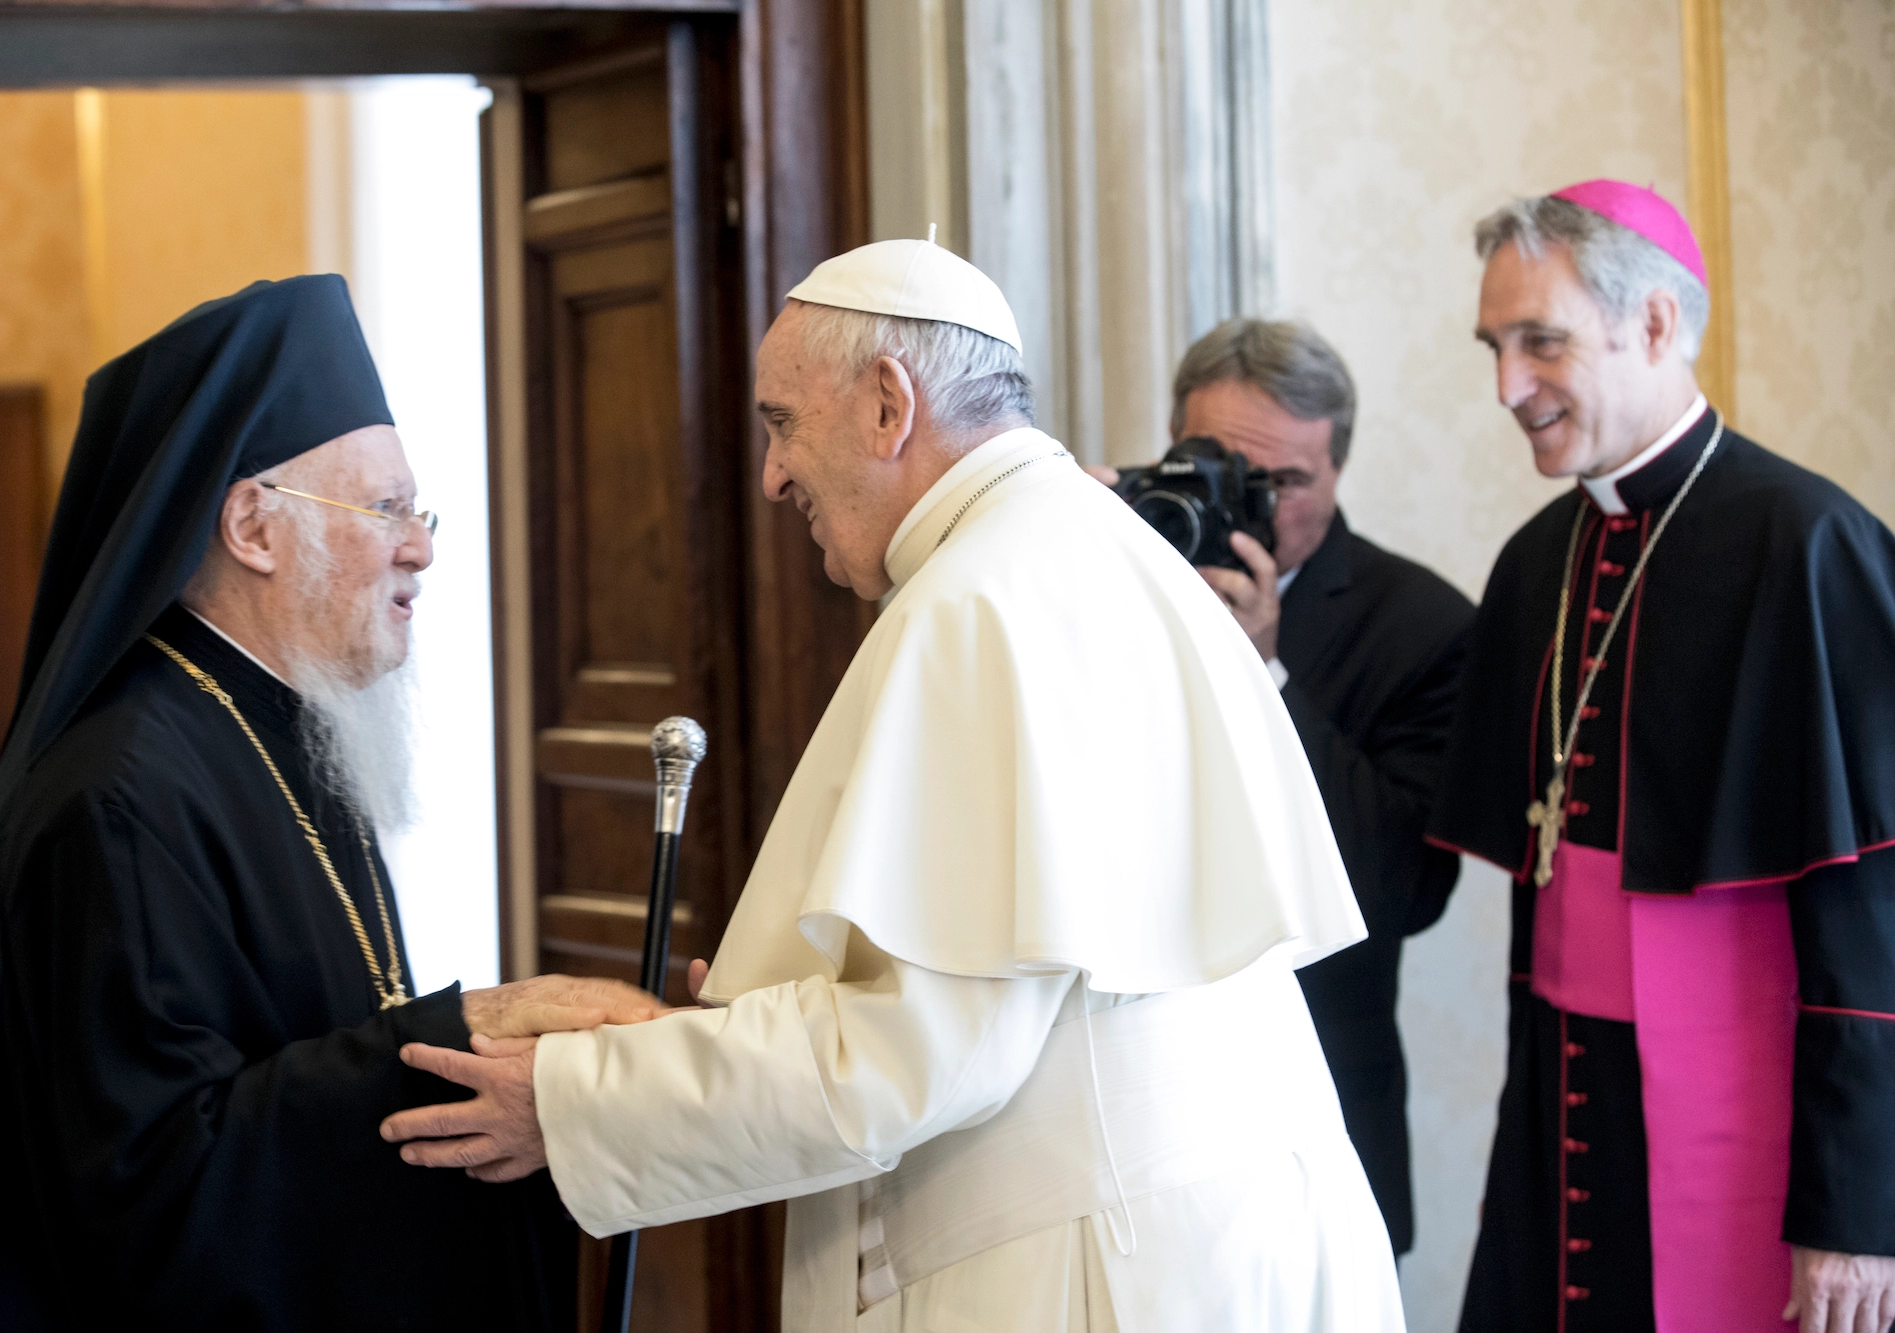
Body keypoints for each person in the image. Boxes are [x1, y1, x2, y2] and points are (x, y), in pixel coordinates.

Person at [381, 240, 1406, 1331]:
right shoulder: (1073, 543)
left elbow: (911, 1056)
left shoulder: (979, 598)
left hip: (1104, 1268)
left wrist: (572, 1103)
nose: (771, 474)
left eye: (780, 421)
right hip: (1201, 1237)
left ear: (886, 404)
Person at [0, 276, 660, 1332]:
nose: (422, 547)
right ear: (253, 527)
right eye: (387, 510)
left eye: (419, 511)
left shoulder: (287, 738)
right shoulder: (119, 799)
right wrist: (451, 1039)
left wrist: (469, 1055)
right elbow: (152, 1190)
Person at [1431, 180, 1895, 1333]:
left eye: (1538, 341)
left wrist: (1856, 1208)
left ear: (1651, 324)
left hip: (1757, 1116)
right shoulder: (1536, 561)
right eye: (1494, 347)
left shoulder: (1808, 543)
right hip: (1567, 1101)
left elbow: (1871, 919)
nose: (1506, 387)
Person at [1096, 319, 1473, 1257]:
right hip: (1120, 1116)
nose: (1249, 504)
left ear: (1338, 468)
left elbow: (1402, 888)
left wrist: (1264, 673)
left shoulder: (1425, 626)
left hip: (1317, 1120)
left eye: (1283, 483)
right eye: (1215, 465)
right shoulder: (1105, 579)